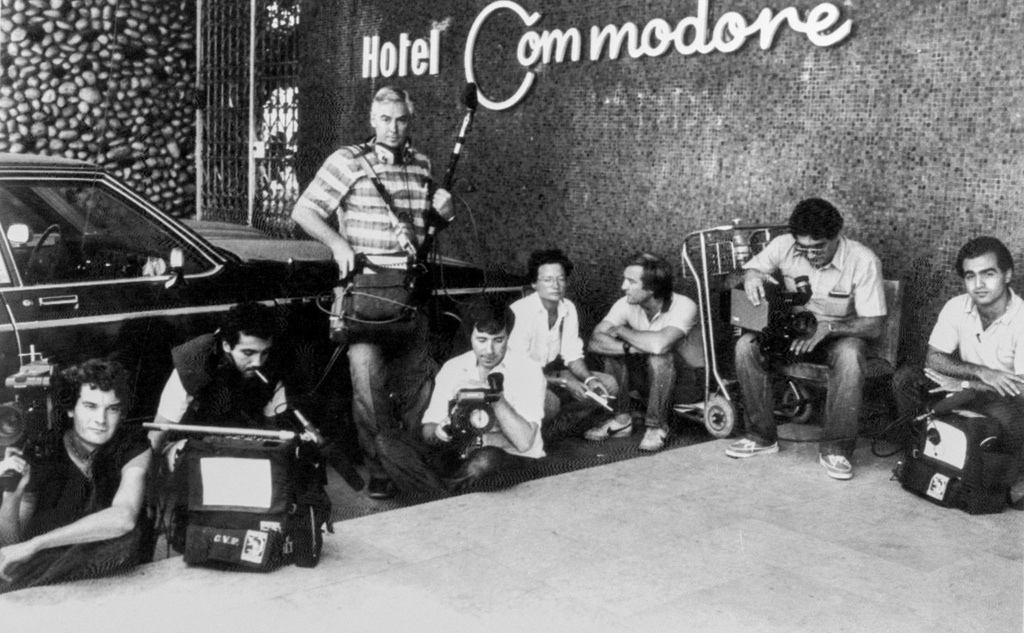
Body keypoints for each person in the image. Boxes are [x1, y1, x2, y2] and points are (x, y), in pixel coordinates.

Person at [291, 86, 453, 500]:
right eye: (385, 119)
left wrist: (443, 215)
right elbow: (304, 211)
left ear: (409, 119)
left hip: (409, 290)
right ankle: (381, 470)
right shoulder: (347, 161)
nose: (393, 128)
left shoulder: (422, 165)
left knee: (419, 384)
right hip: (365, 291)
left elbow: (422, 232)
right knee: (368, 387)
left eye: (400, 119)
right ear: (372, 120)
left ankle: (411, 463)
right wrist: (338, 244)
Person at [726, 198, 886, 480]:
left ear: (838, 236)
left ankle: (836, 449)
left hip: (839, 335)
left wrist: (829, 329)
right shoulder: (783, 244)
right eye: (804, 248)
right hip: (795, 333)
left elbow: (873, 325)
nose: (810, 255)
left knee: (850, 355)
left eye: (818, 247)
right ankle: (761, 436)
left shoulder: (863, 260)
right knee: (745, 346)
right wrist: (751, 275)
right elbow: (753, 268)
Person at [0, 359, 151, 593]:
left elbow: (124, 517)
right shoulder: (43, 449)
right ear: (70, 408)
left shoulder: (132, 445)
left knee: (123, 540)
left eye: (112, 409)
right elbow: (10, 546)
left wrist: (37, 544)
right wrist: (12, 495)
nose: (101, 420)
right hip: (49, 570)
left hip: (105, 566)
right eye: (90, 406)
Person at [893, 236, 1024, 504]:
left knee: (1010, 414)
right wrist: (980, 373)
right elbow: (934, 359)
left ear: (1007, 274)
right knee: (906, 379)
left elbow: (1020, 387)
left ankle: (1010, 477)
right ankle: (917, 454)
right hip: (969, 385)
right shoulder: (957, 306)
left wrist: (968, 386)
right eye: (970, 276)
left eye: (988, 274)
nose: (979, 284)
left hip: (1003, 398)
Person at [419, 302, 546, 491]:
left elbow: (524, 442)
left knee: (485, 461)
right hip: (460, 453)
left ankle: (436, 493)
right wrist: (440, 430)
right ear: (469, 336)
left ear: (508, 336)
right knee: (390, 445)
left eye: (498, 340)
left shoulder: (529, 369)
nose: (489, 350)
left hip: (511, 458)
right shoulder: (453, 367)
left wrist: (492, 396)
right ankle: (450, 491)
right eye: (481, 339)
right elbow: (428, 429)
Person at [148, 301, 292, 464]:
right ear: (226, 345)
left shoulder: (272, 368)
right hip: (192, 446)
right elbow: (159, 431)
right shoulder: (194, 362)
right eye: (248, 352)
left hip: (244, 445)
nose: (258, 362)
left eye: (264, 352)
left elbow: (272, 431)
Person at [587, 252, 701, 452]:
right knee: (614, 351)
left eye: (631, 282)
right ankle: (621, 419)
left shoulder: (684, 305)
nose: (623, 287)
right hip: (650, 384)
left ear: (652, 287)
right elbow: (595, 341)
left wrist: (622, 331)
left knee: (660, 356)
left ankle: (656, 426)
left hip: (688, 385)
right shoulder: (626, 303)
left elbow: (659, 345)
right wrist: (628, 347)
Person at [508, 249, 618, 434]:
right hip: (519, 378)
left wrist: (589, 379)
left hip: (550, 373)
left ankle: (558, 426)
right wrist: (565, 383)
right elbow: (517, 369)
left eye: (560, 279)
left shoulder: (568, 308)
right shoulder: (520, 312)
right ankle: (534, 429)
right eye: (547, 280)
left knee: (608, 385)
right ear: (534, 284)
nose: (555, 285)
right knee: (550, 402)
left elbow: (572, 355)